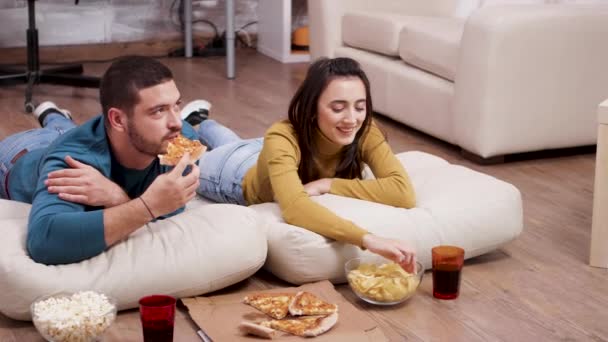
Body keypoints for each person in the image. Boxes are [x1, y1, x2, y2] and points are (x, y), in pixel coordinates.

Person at [194, 57, 418, 272]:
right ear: (312, 109)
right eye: (338, 108)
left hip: (268, 155)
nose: (352, 119)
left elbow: (403, 192)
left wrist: (328, 184)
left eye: (360, 107)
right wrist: (368, 239)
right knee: (190, 156)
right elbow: (294, 208)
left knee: (232, 142)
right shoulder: (281, 136)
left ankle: (201, 121)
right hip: (232, 174)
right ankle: (196, 124)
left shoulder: (365, 130)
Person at [0, 56, 205, 265]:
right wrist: (147, 207)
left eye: (176, 105)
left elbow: (171, 208)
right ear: (118, 119)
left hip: (96, 135)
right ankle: (54, 116)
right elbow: (44, 242)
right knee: (64, 134)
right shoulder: (72, 162)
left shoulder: (181, 141)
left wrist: (117, 196)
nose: (177, 123)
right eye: (159, 111)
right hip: (20, 153)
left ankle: (53, 115)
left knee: (66, 128)